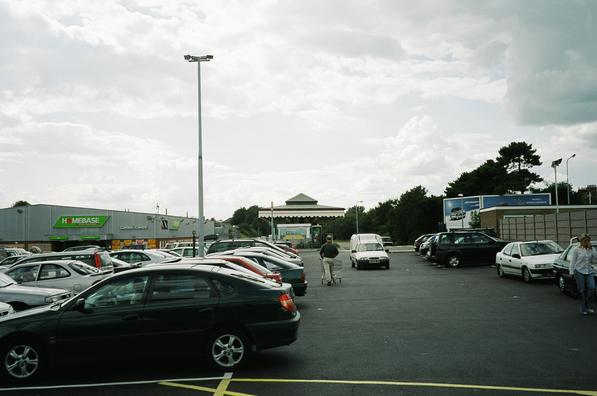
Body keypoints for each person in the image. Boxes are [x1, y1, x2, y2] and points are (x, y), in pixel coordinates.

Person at [569, 233, 597, 315]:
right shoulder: (576, 249)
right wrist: (571, 272)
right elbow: (572, 262)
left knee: (592, 288)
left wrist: (592, 249)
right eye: (586, 240)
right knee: (581, 290)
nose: (587, 242)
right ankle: (583, 308)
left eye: (588, 240)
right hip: (579, 271)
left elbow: (596, 258)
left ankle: (588, 306)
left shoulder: (590, 249)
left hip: (589, 271)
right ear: (581, 241)